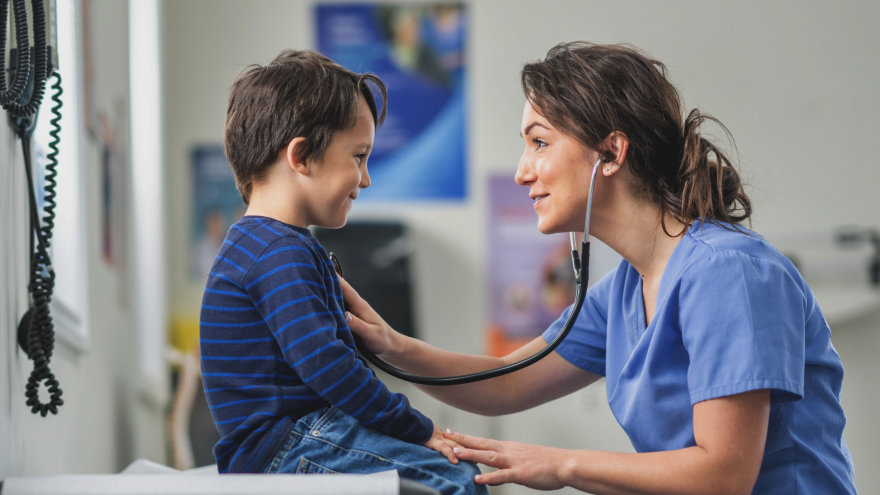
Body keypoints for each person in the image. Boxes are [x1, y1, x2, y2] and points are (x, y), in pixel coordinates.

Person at [340, 42, 858, 494]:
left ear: (610, 152)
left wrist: (560, 464)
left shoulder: (729, 272)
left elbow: (723, 476)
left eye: (539, 142)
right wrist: (390, 344)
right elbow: (505, 384)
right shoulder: (624, 290)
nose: (522, 172)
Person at [199, 49, 485, 495]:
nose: (366, 178)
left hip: (289, 440)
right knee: (455, 479)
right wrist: (417, 429)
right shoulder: (278, 252)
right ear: (302, 156)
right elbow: (328, 365)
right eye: (359, 156)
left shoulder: (264, 245)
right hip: (287, 446)